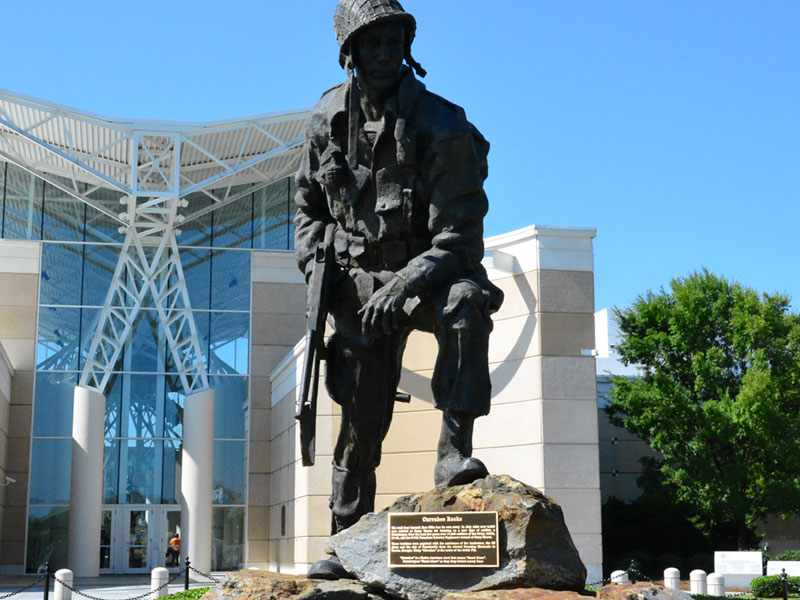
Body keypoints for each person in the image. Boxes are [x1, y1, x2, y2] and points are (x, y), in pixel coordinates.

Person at [294, 0, 503, 578]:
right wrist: (331, 278)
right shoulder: (324, 119)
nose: (383, 54)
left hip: (430, 275)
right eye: (371, 43)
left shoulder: (443, 122)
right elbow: (307, 214)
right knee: (360, 415)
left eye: (393, 41)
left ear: (407, 46)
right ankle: (345, 538)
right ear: (350, 52)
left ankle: (454, 454)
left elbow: (459, 237)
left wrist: (407, 282)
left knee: (467, 306)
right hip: (358, 286)